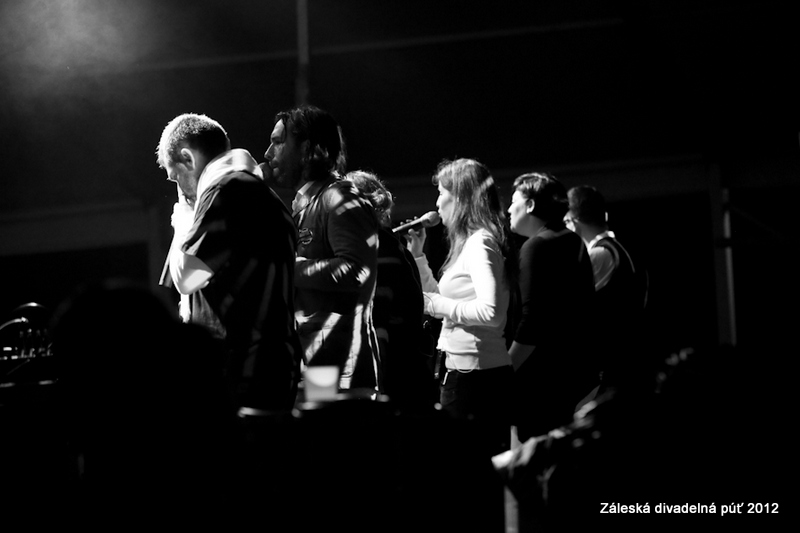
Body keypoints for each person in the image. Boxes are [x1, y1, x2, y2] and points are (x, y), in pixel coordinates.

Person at [157, 113, 301, 413]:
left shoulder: (227, 189)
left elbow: (186, 277)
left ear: (187, 158)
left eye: (176, 177)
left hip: (245, 369)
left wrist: (183, 220)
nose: (180, 190)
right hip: (269, 365)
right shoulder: (257, 192)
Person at [264, 105, 380, 393]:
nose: (268, 153)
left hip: (339, 366)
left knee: (330, 423)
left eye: (278, 142)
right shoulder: (308, 200)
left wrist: (288, 267)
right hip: (318, 360)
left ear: (308, 148)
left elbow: (357, 271)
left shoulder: (339, 195)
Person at [406, 158, 515, 456]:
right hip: (468, 372)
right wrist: (418, 258)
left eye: (441, 193)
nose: (437, 203)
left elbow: (491, 314)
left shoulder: (481, 243)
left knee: (467, 468)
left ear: (461, 197)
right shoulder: (472, 242)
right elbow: (441, 299)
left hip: (476, 378)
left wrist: (435, 304)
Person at [507, 173, 596, 442]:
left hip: (540, 381)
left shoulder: (536, 246)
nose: (509, 209)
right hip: (572, 375)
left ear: (530, 205)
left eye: (514, 201)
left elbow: (532, 321)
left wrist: (505, 369)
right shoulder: (573, 241)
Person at [346, 170, 438, 411]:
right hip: (405, 379)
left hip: (393, 385)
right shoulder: (388, 247)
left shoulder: (377, 251)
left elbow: (380, 330)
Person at [566, 185, 649, 393]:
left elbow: (568, 307)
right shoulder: (621, 249)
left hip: (610, 365)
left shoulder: (599, 254)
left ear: (572, 222)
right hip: (628, 358)